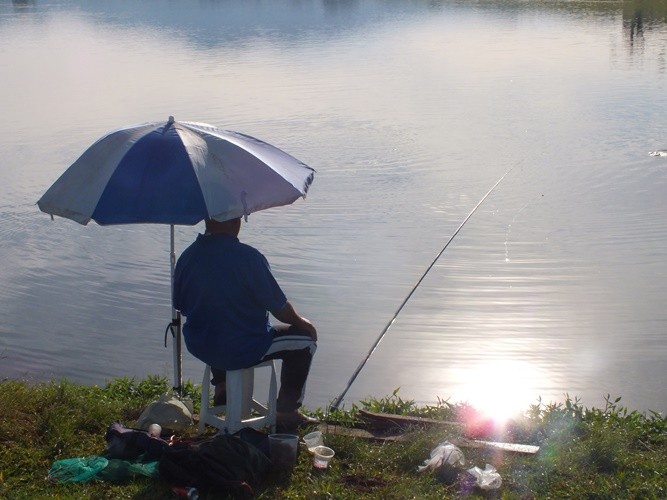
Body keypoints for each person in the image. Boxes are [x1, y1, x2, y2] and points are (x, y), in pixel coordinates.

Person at [173, 216, 318, 429]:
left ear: (207, 219)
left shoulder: (187, 257)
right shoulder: (249, 258)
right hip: (243, 347)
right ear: (235, 221)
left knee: (218, 323)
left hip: (201, 344)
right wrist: (303, 323)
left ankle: (222, 389)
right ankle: (286, 412)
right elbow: (279, 308)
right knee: (305, 342)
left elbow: (181, 305)